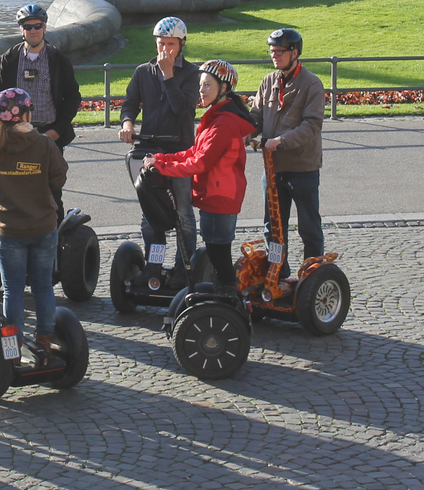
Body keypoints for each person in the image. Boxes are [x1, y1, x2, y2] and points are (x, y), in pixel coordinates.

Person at [144, 60, 258, 294]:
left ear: (224, 88)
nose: (201, 90)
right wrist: (161, 159)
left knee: (220, 258)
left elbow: (200, 163)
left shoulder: (223, 123)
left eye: (207, 85)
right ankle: (224, 299)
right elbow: (193, 152)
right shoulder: (216, 118)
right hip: (214, 194)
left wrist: (163, 168)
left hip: (219, 196)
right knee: (217, 256)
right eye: (200, 85)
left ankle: (228, 301)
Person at [0, 88, 69, 355]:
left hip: (9, 229)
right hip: (43, 226)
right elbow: (58, 180)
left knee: (12, 290)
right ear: (26, 114)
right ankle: (45, 340)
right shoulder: (45, 144)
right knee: (43, 286)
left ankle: (12, 346)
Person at [119, 17, 201, 273]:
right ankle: (154, 263)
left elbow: (182, 108)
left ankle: (184, 267)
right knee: (150, 214)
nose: (165, 49)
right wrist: (128, 124)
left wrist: (168, 75)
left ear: (181, 44)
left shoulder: (192, 73)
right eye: (161, 44)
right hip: (150, 149)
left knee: (183, 213)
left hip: (180, 150)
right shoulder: (143, 71)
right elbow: (130, 103)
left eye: (171, 44)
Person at [250, 27, 326, 277]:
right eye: (272, 51)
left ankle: (312, 274)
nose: (274, 55)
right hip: (273, 168)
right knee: (273, 227)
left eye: (280, 51)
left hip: (302, 167)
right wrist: (244, 133)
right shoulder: (268, 81)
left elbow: (312, 125)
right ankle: (277, 270)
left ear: (295, 53)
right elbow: (256, 116)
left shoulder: (311, 84)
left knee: (309, 227)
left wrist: (282, 140)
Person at [0, 3, 81, 149]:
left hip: (49, 132)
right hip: (15, 132)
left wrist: (56, 131)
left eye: (37, 26)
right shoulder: (9, 59)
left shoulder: (58, 60)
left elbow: (72, 97)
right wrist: (1, 120)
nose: (33, 31)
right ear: (21, 30)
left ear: (44, 28)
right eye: (28, 27)